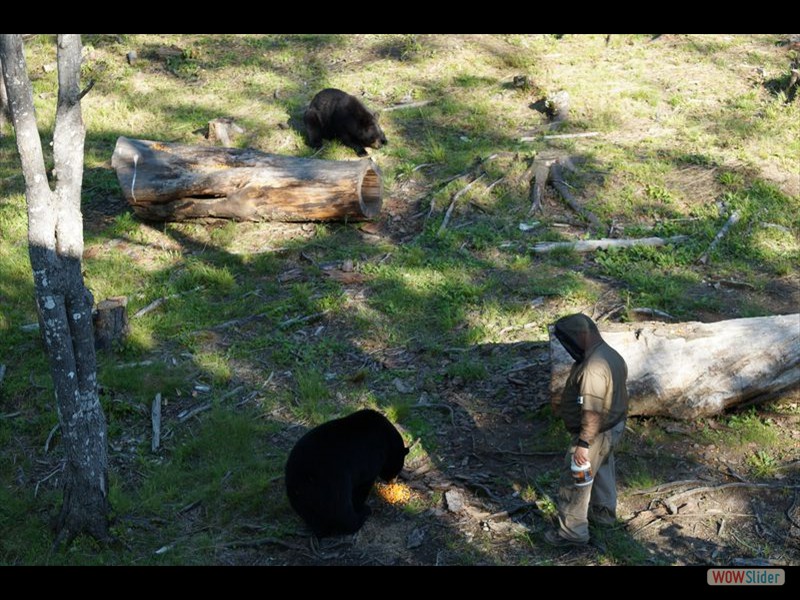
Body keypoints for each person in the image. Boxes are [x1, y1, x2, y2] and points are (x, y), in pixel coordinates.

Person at [544, 313, 629, 547]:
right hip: (612, 429)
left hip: (593, 436)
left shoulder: (593, 367)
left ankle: (572, 533)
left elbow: (592, 412)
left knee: (575, 481)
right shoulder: (611, 355)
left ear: (582, 335)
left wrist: (582, 444)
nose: (566, 344)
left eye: (568, 339)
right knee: (601, 470)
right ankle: (603, 516)